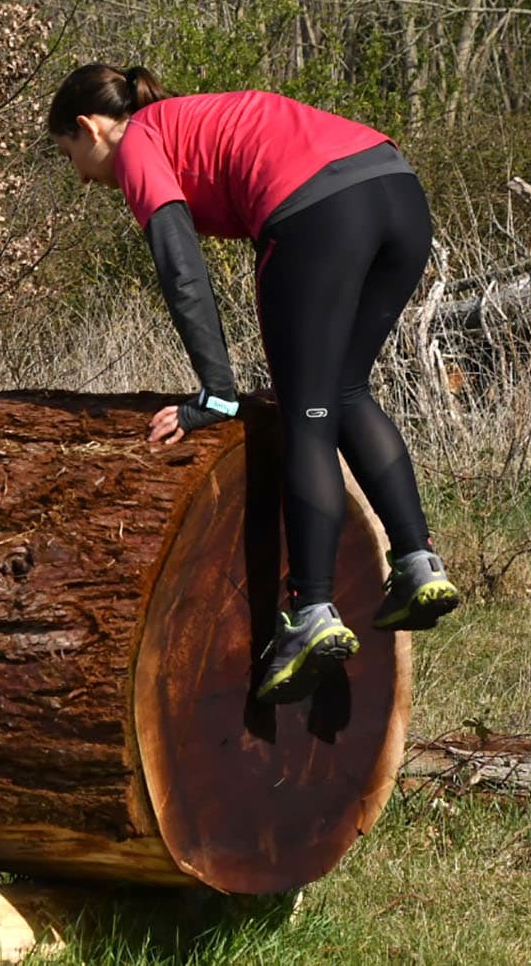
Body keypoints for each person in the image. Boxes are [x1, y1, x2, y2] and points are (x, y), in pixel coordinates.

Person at [48, 65, 460, 704]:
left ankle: (311, 614)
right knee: (343, 390)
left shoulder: (135, 144)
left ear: (89, 126)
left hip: (320, 213)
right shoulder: (191, 121)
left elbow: (181, 269)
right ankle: (416, 563)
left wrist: (214, 392)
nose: (80, 176)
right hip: (397, 192)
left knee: (309, 415)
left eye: (71, 154)